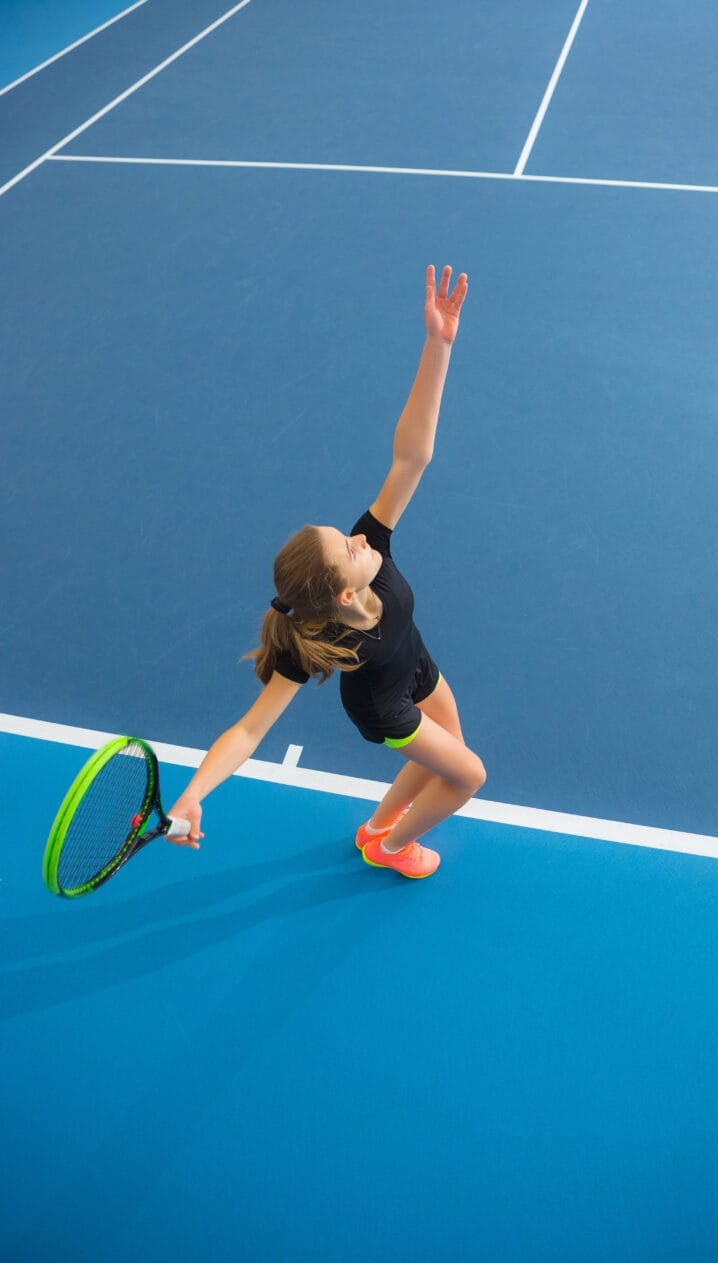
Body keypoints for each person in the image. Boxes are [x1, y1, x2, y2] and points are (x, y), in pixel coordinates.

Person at [166, 265, 485, 879]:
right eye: (348, 545)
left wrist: (438, 344)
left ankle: (376, 827)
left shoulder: (373, 553)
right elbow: (249, 730)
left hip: (413, 659)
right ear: (343, 591)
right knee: (468, 774)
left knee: (449, 751)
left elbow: (412, 454)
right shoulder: (319, 643)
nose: (361, 536)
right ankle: (391, 848)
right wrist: (194, 793)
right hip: (385, 704)